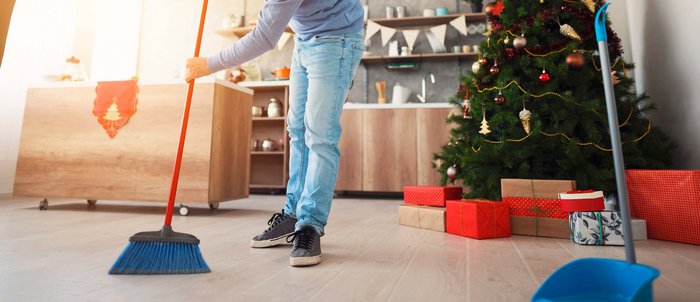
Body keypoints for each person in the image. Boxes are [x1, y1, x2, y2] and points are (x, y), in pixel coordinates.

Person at [185, 0, 364, 267]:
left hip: (337, 38)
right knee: (298, 130)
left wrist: (209, 64)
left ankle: (310, 225)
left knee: (320, 135)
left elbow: (265, 37)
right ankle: (293, 214)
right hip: (305, 39)